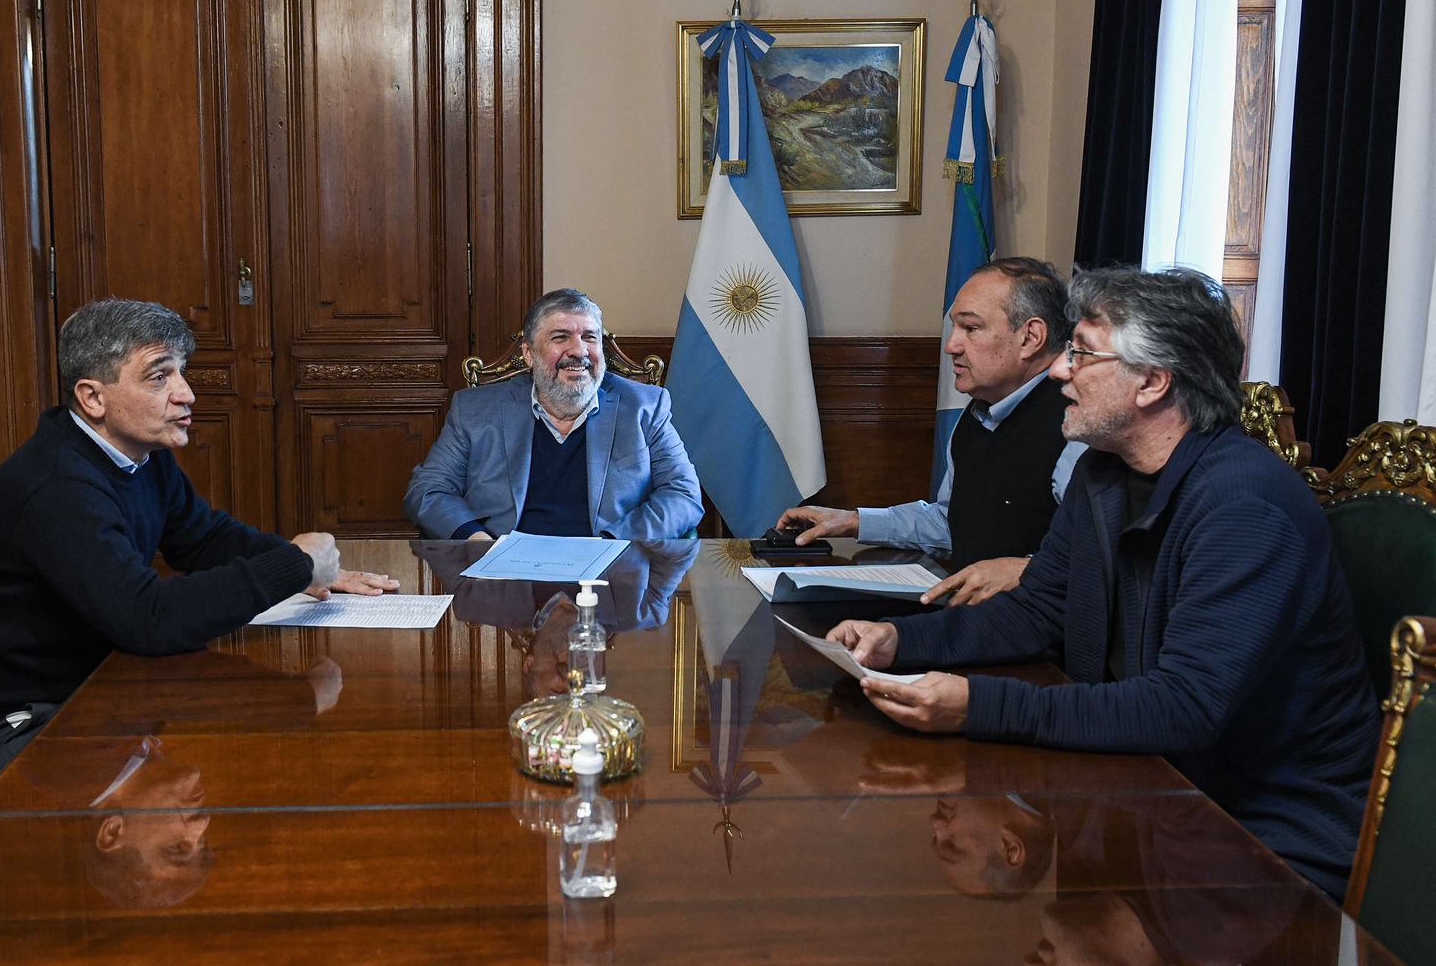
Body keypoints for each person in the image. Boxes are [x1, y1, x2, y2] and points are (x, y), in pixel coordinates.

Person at [827, 267, 1378, 899]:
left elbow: (1184, 707)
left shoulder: (1244, 507)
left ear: (1152, 382)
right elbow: (1033, 612)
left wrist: (977, 706)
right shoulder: (1104, 472)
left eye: (1083, 353)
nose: (1060, 370)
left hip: (1260, 841)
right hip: (1152, 790)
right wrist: (899, 641)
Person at [0, 299, 399, 804]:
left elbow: (203, 537)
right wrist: (293, 565)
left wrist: (308, 572)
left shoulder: (136, 454)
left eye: (181, 373)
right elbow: (149, 619)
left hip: (76, 697)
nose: (186, 394)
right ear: (92, 398)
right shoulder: (57, 488)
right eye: (158, 377)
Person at [778, 258, 1084, 605]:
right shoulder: (978, 413)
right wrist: (853, 521)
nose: (951, 345)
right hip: (981, 620)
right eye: (955, 328)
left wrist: (1027, 570)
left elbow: (1099, 560)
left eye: (971, 328)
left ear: (1031, 337)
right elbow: (953, 521)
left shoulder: (1079, 422)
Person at [404, 288, 703, 539]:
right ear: (529, 354)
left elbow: (683, 496)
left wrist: (615, 543)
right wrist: (475, 539)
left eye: (590, 337)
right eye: (561, 337)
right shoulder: (475, 410)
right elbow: (428, 491)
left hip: (611, 575)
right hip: (506, 574)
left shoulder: (645, 406)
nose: (579, 351)